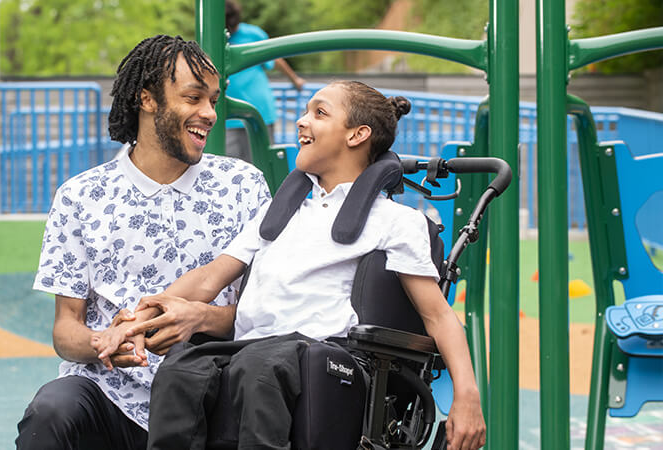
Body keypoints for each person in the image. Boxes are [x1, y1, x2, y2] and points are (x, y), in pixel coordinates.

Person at [97, 81, 488, 450]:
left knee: (259, 367)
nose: (302, 120)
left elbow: (437, 315)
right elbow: (207, 279)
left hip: (322, 353)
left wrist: (467, 397)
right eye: (305, 111)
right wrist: (135, 320)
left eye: (319, 113)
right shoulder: (279, 214)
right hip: (252, 348)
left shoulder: (395, 221)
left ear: (357, 135)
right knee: (182, 370)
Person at [14, 35, 271, 450]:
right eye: (193, 98)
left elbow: (265, 314)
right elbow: (66, 330)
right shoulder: (81, 195)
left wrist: (200, 318)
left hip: (211, 393)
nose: (209, 113)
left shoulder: (243, 186)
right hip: (110, 395)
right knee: (53, 411)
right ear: (146, 99)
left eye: (213, 100)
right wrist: (105, 343)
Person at [224, 0, 306, 163]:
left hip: (259, 109)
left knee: (263, 161)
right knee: (230, 164)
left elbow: (274, 59)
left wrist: (295, 79)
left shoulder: (253, 34)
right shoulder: (214, 38)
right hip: (228, 114)